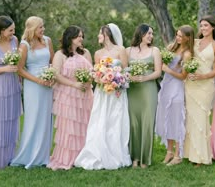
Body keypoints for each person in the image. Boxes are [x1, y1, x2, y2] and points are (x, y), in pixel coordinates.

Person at [75, 23, 131, 170]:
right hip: (102, 92)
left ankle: (117, 154)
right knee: (100, 121)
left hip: (117, 92)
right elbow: (96, 73)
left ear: (107, 34)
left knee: (116, 120)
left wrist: (116, 82)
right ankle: (98, 152)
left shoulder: (121, 50)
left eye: (100, 34)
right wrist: (101, 79)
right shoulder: (98, 54)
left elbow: (126, 72)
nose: (98, 36)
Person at [47, 26, 93, 170]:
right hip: (68, 94)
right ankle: (67, 158)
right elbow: (56, 75)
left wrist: (87, 82)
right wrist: (74, 84)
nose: (81, 39)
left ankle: (83, 156)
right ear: (70, 38)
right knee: (68, 127)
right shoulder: (60, 55)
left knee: (84, 125)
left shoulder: (86, 53)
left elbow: (92, 72)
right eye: (78, 36)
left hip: (85, 95)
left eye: (82, 36)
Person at [10, 16, 54, 169]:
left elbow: (52, 62)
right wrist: (38, 80)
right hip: (33, 86)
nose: (43, 30)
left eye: (43, 26)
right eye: (40, 27)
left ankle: (43, 155)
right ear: (32, 29)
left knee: (45, 118)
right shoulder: (24, 45)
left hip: (48, 85)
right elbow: (20, 70)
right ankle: (29, 154)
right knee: (33, 118)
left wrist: (51, 77)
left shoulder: (47, 41)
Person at [184, 15, 215, 166]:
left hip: (206, 85)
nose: (203, 28)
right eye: (201, 26)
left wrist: (202, 76)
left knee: (201, 119)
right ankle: (189, 153)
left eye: (206, 25)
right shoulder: (194, 42)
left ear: (213, 27)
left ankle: (201, 157)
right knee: (191, 119)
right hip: (190, 85)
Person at [155, 25, 195, 166]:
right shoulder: (171, 47)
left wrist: (168, 70)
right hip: (166, 86)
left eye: (180, 36)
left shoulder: (187, 54)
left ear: (187, 38)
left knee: (176, 120)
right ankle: (169, 152)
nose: (177, 38)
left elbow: (183, 76)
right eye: (177, 35)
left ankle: (178, 154)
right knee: (167, 118)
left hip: (177, 88)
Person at [126, 23, 161, 168]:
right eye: (149, 34)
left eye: (152, 34)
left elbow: (158, 72)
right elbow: (123, 69)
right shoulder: (128, 50)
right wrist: (130, 77)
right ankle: (134, 158)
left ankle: (145, 159)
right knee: (133, 123)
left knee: (147, 122)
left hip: (148, 90)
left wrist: (144, 78)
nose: (151, 36)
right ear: (141, 34)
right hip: (132, 91)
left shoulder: (155, 50)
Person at [0, 16, 22, 169]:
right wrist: (4, 68)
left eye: (13, 29)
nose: (13, 32)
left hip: (13, 86)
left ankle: (10, 157)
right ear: (1, 31)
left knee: (11, 121)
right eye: (10, 30)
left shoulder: (14, 40)